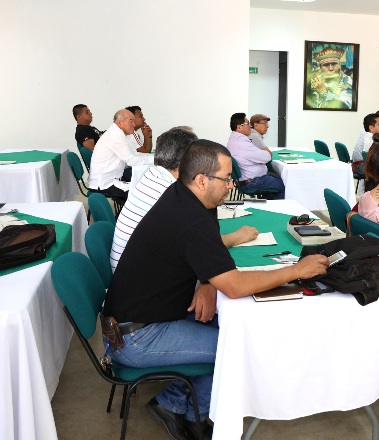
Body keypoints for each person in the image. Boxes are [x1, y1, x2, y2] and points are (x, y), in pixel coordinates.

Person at [102, 140, 328, 440]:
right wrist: (297, 270)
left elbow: (202, 251)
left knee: (232, 327)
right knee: (236, 348)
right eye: (226, 178)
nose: (231, 184)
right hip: (136, 337)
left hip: (145, 318)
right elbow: (234, 286)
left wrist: (208, 281)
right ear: (201, 180)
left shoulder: (187, 198)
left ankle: (176, 404)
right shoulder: (190, 218)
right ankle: (190, 414)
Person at [110, 128, 258, 271]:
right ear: (187, 162)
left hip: (132, 267)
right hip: (144, 274)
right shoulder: (171, 194)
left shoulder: (153, 174)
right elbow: (201, 245)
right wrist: (236, 237)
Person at [87, 109, 154, 198]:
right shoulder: (116, 135)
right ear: (120, 123)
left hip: (109, 180)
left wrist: (154, 157)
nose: (134, 125)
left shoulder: (118, 133)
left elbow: (134, 154)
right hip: (104, 184)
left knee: (146, 186)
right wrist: (155, 159)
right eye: (131, 121)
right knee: (146, 192)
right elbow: (131, 161)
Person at [226, 113, 284, 199]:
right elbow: (267, 157)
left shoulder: (234, 139)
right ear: (239, 127)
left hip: (248, 180)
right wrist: (265, 153)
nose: (250, 126)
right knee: (286, 185)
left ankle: (267, 202)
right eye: (247, 123)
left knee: (278, 178)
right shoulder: (242, 143)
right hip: (253, 182)